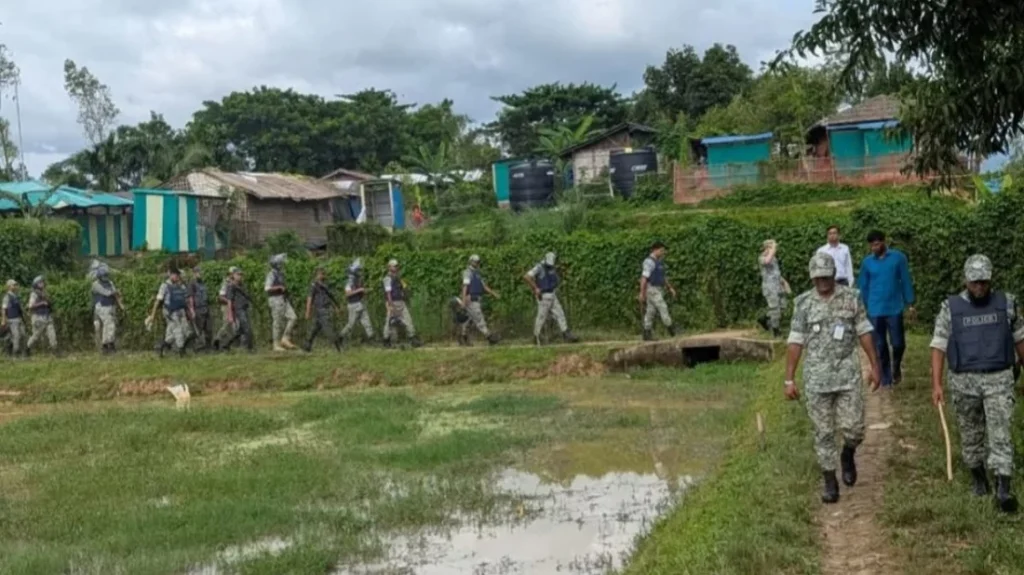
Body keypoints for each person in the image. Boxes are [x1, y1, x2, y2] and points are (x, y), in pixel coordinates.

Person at [930, 255, 1024, 513]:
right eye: (974, 282)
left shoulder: (1007, 304)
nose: (979, 287)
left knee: (1000, 431)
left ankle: (1003, 488)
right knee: (970, 432)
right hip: (964, 381)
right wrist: (936, 384)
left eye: (983, 282)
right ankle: (978, 476)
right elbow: (938, 346)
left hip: (998, 378)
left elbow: (1019, 339)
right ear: (966, 280)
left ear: (990, 279)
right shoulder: (950, 308)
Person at [785, 252, 881, 504]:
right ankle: (830, 480)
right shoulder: (803, 303)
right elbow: (795, 341)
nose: (822, 282)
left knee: (855, 429)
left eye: (826, 277)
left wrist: (875, 365)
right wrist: (789, 379)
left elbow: (864, 331)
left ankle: (847, 454)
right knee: (823, 432)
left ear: (834, 275)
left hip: (847, 376)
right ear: (812, 278)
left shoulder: (852, 298)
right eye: (818, 278)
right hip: (817, 380)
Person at [857, 230, 916, 387]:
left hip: (894, 307)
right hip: (875, 309)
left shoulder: (898, 258)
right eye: (872, 245)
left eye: (877, 244)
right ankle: (886, 377)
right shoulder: (867, 263)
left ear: (884, 241)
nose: (875, 248)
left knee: (898, 343)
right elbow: (863, 286)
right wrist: (861, 306)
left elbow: (905, 280)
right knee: (880, 344)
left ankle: (896, 366)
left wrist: (910, 303)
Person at [524, 251, 579, 346]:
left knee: (560, 313)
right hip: (544, 295)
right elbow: (527, 276)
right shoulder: (539, 267)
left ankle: (566, 333)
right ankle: (537, 336)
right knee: (542, 316)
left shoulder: (552, 267)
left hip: (552, 294)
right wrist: (535, 288)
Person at [149, 268, 193, 357]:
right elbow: (158, 301)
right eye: (175, 275)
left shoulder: (181, 286)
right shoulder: (164, 286)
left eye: (178, 275)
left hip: (181, 311)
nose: (177, 277)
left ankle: (160, 346)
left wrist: (189, 312)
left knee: (186, 332)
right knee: (178, 331)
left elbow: (186, 300)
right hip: (171, 312)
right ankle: (181, 352)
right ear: (170, 275)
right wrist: (152, 315)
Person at [640, 241, 677, 341]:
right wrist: (642, 293)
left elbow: (663, 277)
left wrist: (670, 288)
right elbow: (644, 278)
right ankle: (671, 329)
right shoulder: (649, 262)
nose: (663, 252)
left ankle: (646, 333)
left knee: (650, 311)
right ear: (655, 250)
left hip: (658, 289)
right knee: (662, 306)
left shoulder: (659, 262)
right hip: (652, 289)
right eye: (661, 250)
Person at [460, 254, 500, 346]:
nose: (477, 263)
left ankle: (463, 337)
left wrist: (493, 293)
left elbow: (484, 286)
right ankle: (489, 337)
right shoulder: (467, 273)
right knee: (479, 318)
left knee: (469, 320)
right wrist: (463, 300)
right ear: (470, 262)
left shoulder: (477, 273)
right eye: (475, 261)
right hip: (471, 299)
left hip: (477, 299)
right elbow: (465, 286)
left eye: (478, 262)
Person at [382, 259, 421, 348]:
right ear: (389, 267)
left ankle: (412, 338)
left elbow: (404, 287)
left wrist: (405, 293)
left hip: (401, 302)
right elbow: (388, 293)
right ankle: (386, 340)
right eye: (394, 266)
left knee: (408, 319)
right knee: (389, 322)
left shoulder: (398, 278)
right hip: (392, 302)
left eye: (396, 266)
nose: (396, 267)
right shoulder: (387, 279)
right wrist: (391, 305)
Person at [304, 266, 342, 352]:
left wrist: (337, 307)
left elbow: (331, 297)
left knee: (328, 329)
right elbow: (309, 298)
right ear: (316, 275)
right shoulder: (314, 285)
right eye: (321, 274)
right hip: (318, 310)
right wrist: (308, 311)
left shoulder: (325, 285)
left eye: (323, 274)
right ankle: (307, 346)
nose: (323, 275)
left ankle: (338, 345)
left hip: (324, 310)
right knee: (314, 329)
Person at [758, 239, 791, 337]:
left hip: (778, 286)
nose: (775, 249)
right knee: (775, 308)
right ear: (767, 248)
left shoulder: (774, 259)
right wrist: (772, 249)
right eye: (772, 247)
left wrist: (784, 282)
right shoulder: (762, 258)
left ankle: (765, 318)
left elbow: (776, 273)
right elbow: (767, 261)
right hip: (770, 288)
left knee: (783, 306)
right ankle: (776, 330)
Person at [265, 253, 297, 351]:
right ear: (277, 264)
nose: (282, 265)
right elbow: (267, 288)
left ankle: (285, 338)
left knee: (293, 317)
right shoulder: (271, 274)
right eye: (281, 263)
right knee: (277, 322)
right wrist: (278, 287)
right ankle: (276, 344)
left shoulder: (281, 274)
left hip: (283, 299)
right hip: (275, 300)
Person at [340, 258, 375, 346]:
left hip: (360, 303)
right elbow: (347, 294)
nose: (360, 272)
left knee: (367, 322)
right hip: (353, 305)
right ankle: (340, 337)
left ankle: (371, 339)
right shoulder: (349, 281)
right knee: (350, 325)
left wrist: (366, 291)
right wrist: (360, 290)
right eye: (359, 270)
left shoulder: (358, 280)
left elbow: (360, 291)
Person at [92, 265, 124, 354]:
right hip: (101, 307)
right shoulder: (96, 284)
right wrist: (116, 292)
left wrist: (120, 304)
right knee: (110, 325)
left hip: (110, 306)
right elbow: (107, 293)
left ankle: (106, 345)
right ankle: (109, 344)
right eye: (104, 276)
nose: (105, 277)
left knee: (108, 326)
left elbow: (115, 294)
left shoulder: (110, 283)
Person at [224, 267, 255, 352]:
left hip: (244, 308)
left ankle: (226, 344)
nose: (240, 276)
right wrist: (230, 315)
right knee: (247, 328)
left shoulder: (241, 285)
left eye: (241, 274)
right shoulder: (231, 286)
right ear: (233, 275)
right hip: (239, 309)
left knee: (240, 331)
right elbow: (229, 301)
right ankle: (250, 348)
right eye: (238, 274)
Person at [27, 275, 58, 355]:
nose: (42, 283)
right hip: (38, 317)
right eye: (40, 282)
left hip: (47, 317)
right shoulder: (34, 294)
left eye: (42, 282)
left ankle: (55, 351)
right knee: (36, 336)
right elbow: (30, 306)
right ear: (36, 284)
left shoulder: (45, 293)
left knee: (52, 335)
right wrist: (42, 303)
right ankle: (27, 348)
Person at [213, 268, 238, 351]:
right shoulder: (226, 283)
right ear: (230, 274)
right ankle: (218, 339)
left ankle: (225, 344)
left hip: (233, 306)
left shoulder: (234, 282)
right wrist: (229, 301)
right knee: (227, 324)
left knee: (232, 325)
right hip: (226, 306)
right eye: (234, 272)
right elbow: (221, 296)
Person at [189, 266, 212, 351]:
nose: (200, 274)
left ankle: (208, 347)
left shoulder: (203, 283)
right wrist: (192, 310)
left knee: (208, 329)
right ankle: (196, 347)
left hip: (206, 308)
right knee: (199, 329)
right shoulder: (192, 284)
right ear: (194, 273)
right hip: (198, 309)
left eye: (201, 272)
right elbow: (191, 297)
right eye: (198, 272)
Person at [1, 279, 25, 357]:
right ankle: (15, 354)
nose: (15, 286)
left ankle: (10, 351)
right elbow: (4, 309)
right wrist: (3, 320)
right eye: (13, 285)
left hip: (19, 319)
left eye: (15, 285)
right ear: (9, 286)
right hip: (12, 319)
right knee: (16, 336)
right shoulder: (7, 296)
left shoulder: (16, 296)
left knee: (22, 335)